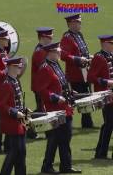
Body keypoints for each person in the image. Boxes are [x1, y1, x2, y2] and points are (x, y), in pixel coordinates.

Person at [36, 42, 81, 174]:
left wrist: (70, 92)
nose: (60, 53)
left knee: (66, 138)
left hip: (64, 108)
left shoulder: (56, 64)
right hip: (53, 109)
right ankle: (47, 166)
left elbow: (62, 83)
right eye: (57, 51)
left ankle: (66, 165)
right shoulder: (45, 68)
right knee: (54, 139)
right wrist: (56, 98)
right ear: (50, 53)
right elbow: (43, 90)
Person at [60, 14, 93, 128]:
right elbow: (64, 55)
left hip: (84, 72)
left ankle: (87, 123)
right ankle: (65, 122)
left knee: (86, 97)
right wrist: (78, 59)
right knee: (75, 99)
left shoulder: (79, 34)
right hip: (74, 74)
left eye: (80, 22)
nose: (80, 24)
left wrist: (89, 56)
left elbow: (83, 50)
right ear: (70, 24)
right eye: (77, 22)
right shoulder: (67, 37)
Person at [0, 57, 27, 175]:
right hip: (12, 124)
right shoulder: (6, 84)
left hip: (21, 123)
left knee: (21, 152)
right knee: (14, 153)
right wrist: (15, 112)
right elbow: (0, 105)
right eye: (18, 67)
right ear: (11, 67)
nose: (20, 68)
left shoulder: (15, 81)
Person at [87, 35, 113, 159]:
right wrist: (107, 82)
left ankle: (100, 152)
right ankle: (101, 152)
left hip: (111, 95)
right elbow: (91, 77)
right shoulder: (99, 57)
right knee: (109, 124)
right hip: (105, 96)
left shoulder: (110, 56)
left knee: (108, 124)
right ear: (104, 44)